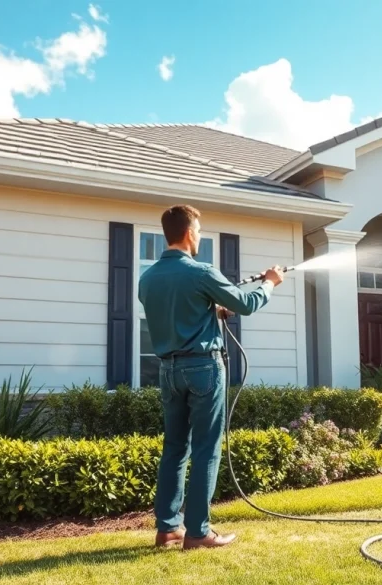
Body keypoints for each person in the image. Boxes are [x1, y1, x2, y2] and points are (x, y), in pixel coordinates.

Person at [138, 204, 284, 551]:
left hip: (168, 370)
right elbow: (246, 304)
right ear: (189, 233)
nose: (200, 236)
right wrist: (269, 283)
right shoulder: (201, 271)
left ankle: (168, 528)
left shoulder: (147, 277)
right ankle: (199, 532)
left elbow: (176, 313)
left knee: (174, 448)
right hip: (203, 368)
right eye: (200, 230)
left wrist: (213, 310)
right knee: (205, 449)